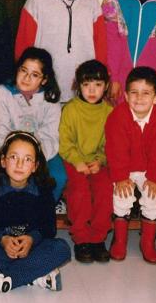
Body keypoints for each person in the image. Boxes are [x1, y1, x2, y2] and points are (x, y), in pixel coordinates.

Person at [0, 131, 71, 294]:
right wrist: (2, 239)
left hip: (31, 249)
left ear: (35, 166)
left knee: (62, 249)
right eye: (14, 157)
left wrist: (32, 239)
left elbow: (49, 228)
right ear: (3, 161)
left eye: (27, 159)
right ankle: (35, 274)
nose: (20, 164)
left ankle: (4, 280)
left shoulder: (43, 191)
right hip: (0, 248)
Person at [15, 0, 107, 102]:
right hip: (45, 90)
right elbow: (23, 47)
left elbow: (100, 46)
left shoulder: (91, 2)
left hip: (84, 91)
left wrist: (102, 78)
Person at [105, 66, 156, 264]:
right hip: (124, 168)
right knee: (122, 196)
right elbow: (115, 149)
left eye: (146, 93)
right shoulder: (118, 116)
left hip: (148, 169)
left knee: (153, 198)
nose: (139, 98)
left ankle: (147, 243)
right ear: (126, 96)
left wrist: (155, 178)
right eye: (134, 92)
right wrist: (120, 177)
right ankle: (120, 241)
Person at [59, 60, 113, 263]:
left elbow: (110, 143)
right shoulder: (71, 109)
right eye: (86, 84)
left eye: (97, 85)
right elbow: (64, 142)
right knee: (79, 190)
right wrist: (77, 161)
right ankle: (81, 238)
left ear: (106, 86)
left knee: (104, 190)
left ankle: (98, 238)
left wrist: (100, 160)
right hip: (73, 160)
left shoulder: (108, 112)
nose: (91, 90)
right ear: (78, 85)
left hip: (97, 162)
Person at [0, 47, 66, 201]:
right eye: (23, 71)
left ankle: (43, 206)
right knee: (1, 174)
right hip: (7, 148)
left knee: (59, 176)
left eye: (34, 75)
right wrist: (15, 156)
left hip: (40, 150)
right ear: (17, 69)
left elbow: (50, 134)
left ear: (44, 79)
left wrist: (33, 158)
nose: (26, 78)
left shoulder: (50, 98)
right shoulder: (2, 93)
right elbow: (1, 130)